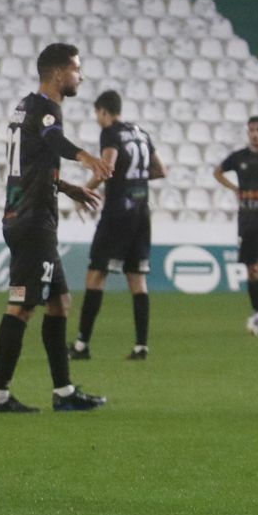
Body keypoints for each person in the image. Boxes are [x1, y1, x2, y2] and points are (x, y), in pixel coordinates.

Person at [0, 43, 110, 414]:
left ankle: (64, 391)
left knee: (59, 304)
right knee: (22, 307)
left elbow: (33, 161)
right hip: (32, 223)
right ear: (58, 73)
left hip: (31, 219)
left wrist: (69, 187)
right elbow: (53, 140)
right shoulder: (45, 109)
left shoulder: (26, 106)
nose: (80, 76)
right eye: (76, 69)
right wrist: (86, 156)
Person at [71, 90, 165, 361]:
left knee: (96, 274)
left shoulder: (110, 133)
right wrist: (134, 178)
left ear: (103, 111)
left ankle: (81, 345)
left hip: (117, 213)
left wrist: (84, 192)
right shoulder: (141, 133)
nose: (98, 120)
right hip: (141, 211)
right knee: (137, 278)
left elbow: (107, 167)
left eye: (97, 115)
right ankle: (141, 346)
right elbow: (161, 170)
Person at [214, 116, 258, 333]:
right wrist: (234, 189)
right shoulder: (240, 157)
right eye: (252, 130)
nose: (255, 134)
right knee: (252, 269)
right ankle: (257, 312)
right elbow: (217, 172)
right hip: (248, 220)